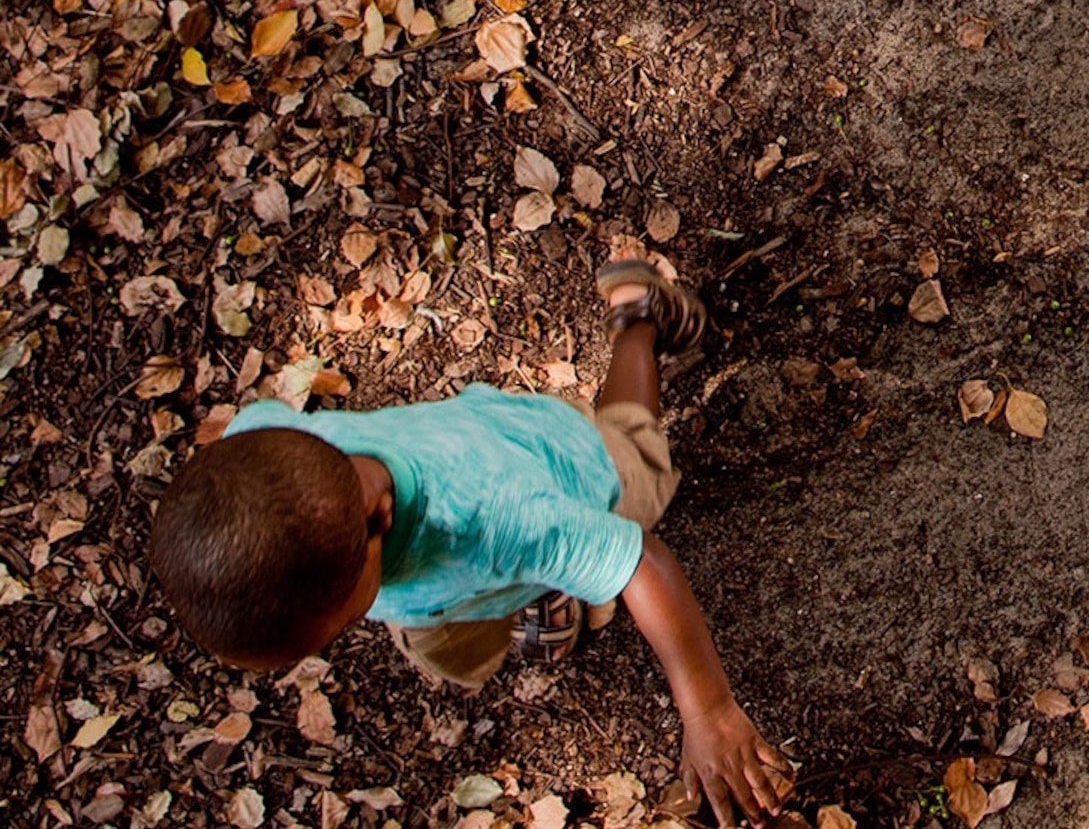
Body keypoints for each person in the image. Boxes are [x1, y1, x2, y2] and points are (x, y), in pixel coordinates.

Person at [148, 261, 792, 826]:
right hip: (458, 567)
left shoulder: (491, 515)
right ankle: (543, 583)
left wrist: (708, 708)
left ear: (377, 521)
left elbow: (642, 561)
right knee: (468, 628)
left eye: (342, 620)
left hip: (581, 471)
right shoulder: (259, 440)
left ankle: (639, 319)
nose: (344, 633)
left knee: (634, 441)